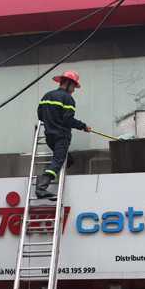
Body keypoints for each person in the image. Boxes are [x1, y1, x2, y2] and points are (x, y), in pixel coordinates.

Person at [36, 69, 91, 199]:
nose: (74, 90)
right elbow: (68, 120)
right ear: (68, 83)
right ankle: (41, 188)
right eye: (74, 86)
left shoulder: (47, 96)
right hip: (61, 136)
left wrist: (52, 121)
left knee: (69, 160)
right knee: (59, 160)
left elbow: (40, 116)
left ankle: (47, 174)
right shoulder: (67, 98)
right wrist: (83, 126)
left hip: (49, 136)